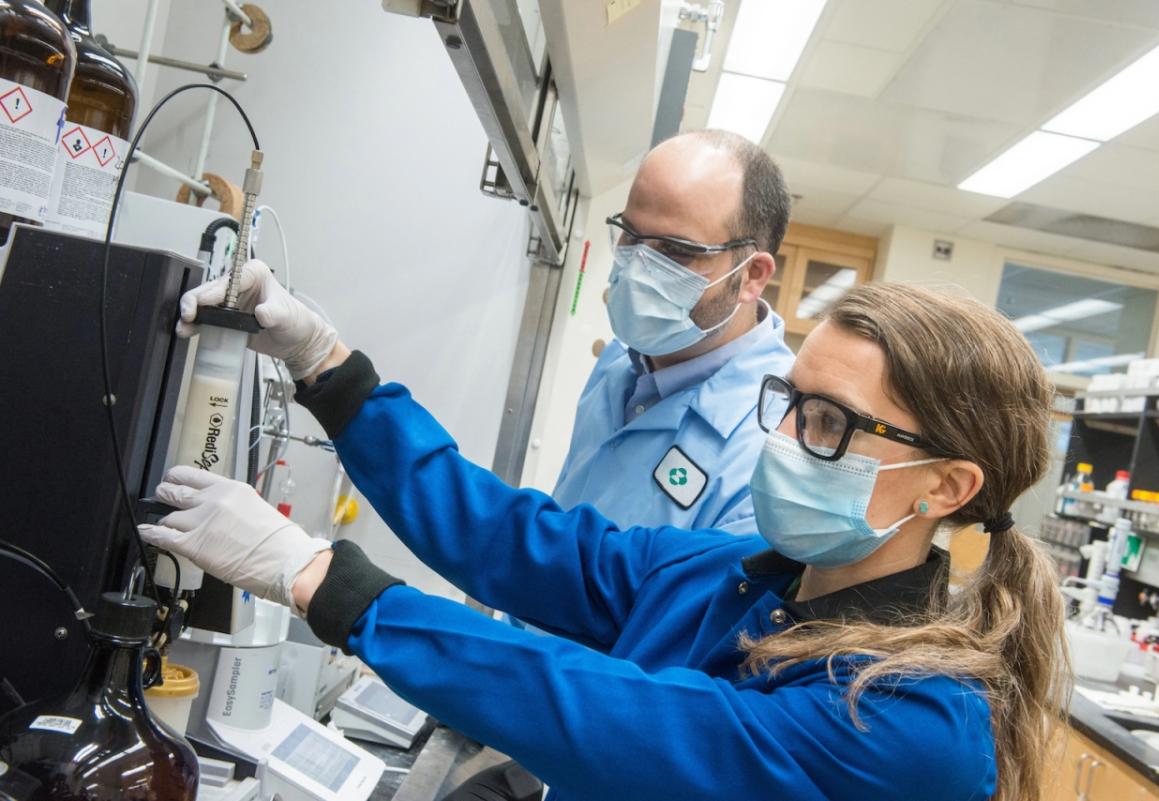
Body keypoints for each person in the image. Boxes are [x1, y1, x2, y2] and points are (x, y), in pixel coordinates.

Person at [145, 269, 1068, 801]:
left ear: (949, 486)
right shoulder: (731, 576)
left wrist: (319, 577)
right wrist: (332, 369)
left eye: (829, 423)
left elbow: (618, 721)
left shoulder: (916, 722)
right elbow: (516, 539)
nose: (783, 440)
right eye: (788, 404)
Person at [554, 129, 794, 533]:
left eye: (676, 251)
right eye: (631, 234)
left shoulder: (773, 446)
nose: (635, 271)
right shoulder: (621, 360)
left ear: (752, 275)